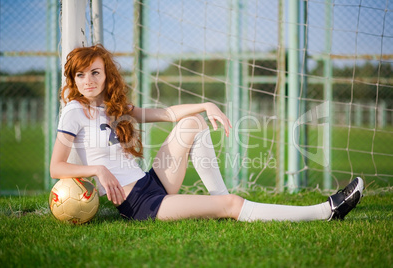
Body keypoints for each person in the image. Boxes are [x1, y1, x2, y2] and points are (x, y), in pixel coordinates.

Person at [50, 45, 364, 222]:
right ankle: (325, 212)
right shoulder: (74, 112)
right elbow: (56, 167)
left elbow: (167, 115)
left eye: (95, 72)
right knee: (231, 204)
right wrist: (97, 169)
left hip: (151, 182)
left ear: (106, 76)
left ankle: (219, 196)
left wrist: (207, 104)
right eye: (81, 74)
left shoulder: (112, 105)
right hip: (139, 205)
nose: (88, 80)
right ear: (73, 80)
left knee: (194, 123)